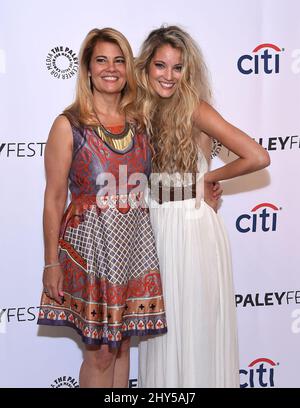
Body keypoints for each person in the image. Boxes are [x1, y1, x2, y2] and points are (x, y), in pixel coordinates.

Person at [136, 25, 270, 388]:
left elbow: (257, 156)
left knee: (194, 326)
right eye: (160, 66)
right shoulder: (137, 112)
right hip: (155, 228)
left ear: (187, 71)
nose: (168, 76)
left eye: (177, 67)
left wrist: (208, 180)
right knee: (161, 333)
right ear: (146, 67)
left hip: (192, 228)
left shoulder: (195, 108)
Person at [37, 27, 168, 388]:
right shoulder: (69, 125)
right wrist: (51, 263)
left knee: (123, 346)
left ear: (128, 69)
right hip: (89, 251)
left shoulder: (141, 124)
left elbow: (154, 184)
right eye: (101, 60)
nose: (111, 68)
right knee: (101, 353)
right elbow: (53, 198)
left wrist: (202, 187)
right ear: (87, 69)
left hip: (133, 250)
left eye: (119, 60)